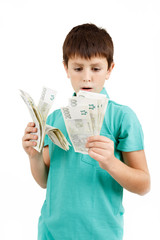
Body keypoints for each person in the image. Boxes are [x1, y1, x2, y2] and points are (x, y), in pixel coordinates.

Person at [22, 23, 150, 240]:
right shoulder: (53, 119)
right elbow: (46, 182)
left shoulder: (122, 117)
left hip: (101, 234)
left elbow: (143, 185)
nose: (87, 77)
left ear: (110, 69)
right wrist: (33, 156)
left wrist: (111, 162)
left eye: (96, 68)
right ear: (66, 68)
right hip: (50, 232)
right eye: (78, 68)